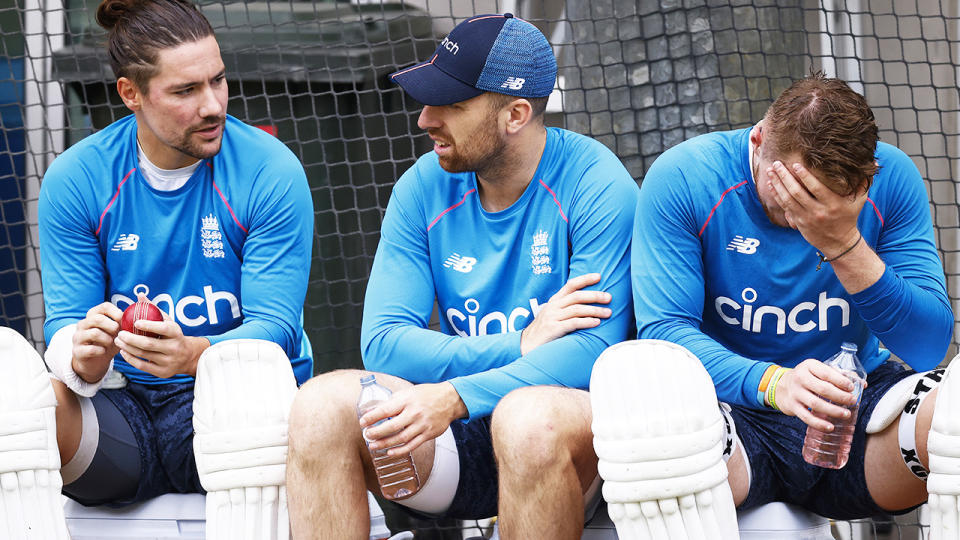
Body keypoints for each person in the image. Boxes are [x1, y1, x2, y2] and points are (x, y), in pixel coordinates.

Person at [285, 13, 638, 539]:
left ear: (515, 113)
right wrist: (519, 344)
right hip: (458, 431)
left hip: (573, 447)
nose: (425, 119)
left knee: (527, 421)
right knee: (320, 405)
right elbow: (382, 344)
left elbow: (591, 355)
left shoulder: (596, 182)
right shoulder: (421, 185)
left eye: (451, 104)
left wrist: (455, 395)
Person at [591, 72, 956, 538]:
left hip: (856, 408)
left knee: (954, 417)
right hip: (732, 414)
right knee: (662, 432)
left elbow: (927, 346)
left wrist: (844, 244)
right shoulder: (685, 176)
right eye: (791, 197)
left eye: (824, 204)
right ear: (759, 141)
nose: (804, 217)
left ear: (865, 180)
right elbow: (665, 333)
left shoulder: (893, 176)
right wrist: (774, 383)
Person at [1, 0, 312, 537]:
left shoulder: (270, 169)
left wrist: (195, 356)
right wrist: (83, 359)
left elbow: (277, 329)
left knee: (250, 389)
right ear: (130, 94)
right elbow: (64, 328)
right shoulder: (77, 178)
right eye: (186, 91)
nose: (212, 105)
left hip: (230, 411)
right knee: (17, 405)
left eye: (218, 80)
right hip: (121, 413)